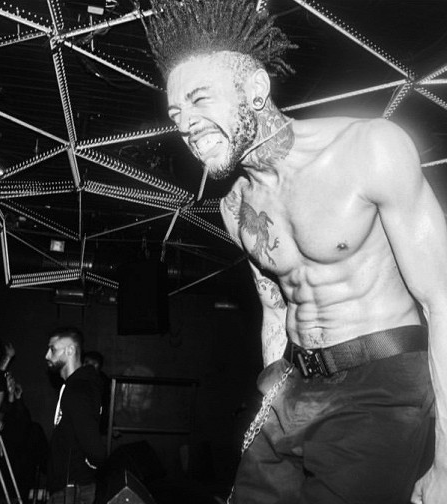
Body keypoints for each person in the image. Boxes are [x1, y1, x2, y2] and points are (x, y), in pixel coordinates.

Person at [143, 1, 447, 503]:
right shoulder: (236, 206)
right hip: (295, 384)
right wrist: (273, 390)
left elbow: (442, 300)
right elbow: (274, 306)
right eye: (177, 114)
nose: (186, 124)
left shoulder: (369, 148)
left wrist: (446, 464)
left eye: (200, 100)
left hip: (381, 385)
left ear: (255, 89)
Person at [45, 327, 106, 504]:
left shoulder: (78, 389)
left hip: (72, 487)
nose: (47, 355)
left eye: (53, 349)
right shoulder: (76, 385)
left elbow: (93, 445)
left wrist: (89, 466)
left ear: (70, 350)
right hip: (70, 483)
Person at [83, 351, 111, 435]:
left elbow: (105, 404)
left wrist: (107, 424)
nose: (88, 366)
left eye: (94, 363)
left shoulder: (102, 381)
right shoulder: (79, 379)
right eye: (86, 362)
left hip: (96, 423)